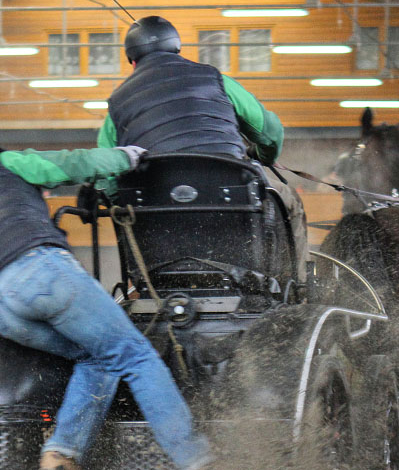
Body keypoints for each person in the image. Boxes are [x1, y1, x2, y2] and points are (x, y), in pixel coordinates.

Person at [0, 130, 211, 470]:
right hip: (39, 270)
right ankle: (195, 459)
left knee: (95, 356)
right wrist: (124, 158)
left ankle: (61, 454)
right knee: (133, 354)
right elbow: (68, 164)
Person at [97, 15, 307, 280]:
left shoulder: (116, 104)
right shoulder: (217, 80)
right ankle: (299, 286)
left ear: (132, 60)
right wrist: (264, 156)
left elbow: (107, 176)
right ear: (176, 47)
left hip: (156, 219)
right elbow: (270, 131)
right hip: (232, 199)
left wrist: (123, 198)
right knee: (290, 200)